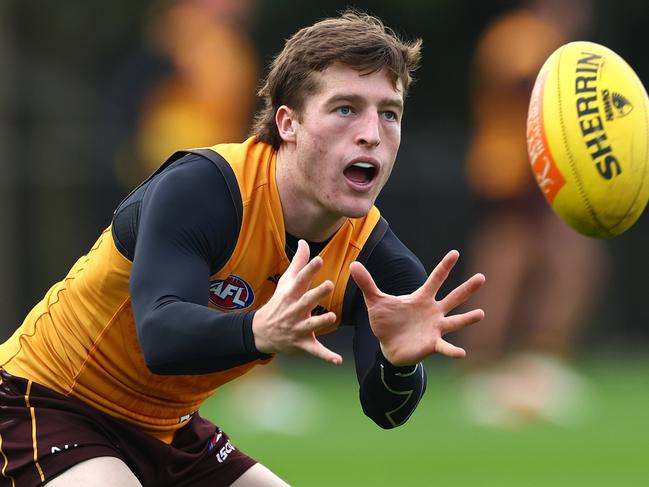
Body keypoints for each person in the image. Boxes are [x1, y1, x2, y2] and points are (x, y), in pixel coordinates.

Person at [0, 10, 485, 486]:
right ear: (288, 123)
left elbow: (385, 410)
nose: (371, 133)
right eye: (345, 109)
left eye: (389, 113)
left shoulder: (378, 261)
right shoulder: (204, 190)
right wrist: (258, 329)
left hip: (169, 427)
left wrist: (398, 365)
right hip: (45, 402)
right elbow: (160, 336)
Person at [458, 0, 606, 427]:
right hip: (514, 174)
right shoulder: (521, 34)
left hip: (541, 173)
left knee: (560, 265)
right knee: (511, 269)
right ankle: (489, 368)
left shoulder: (548, 38)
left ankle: (534, 362)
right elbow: (525, 84)